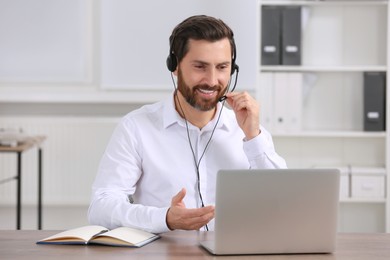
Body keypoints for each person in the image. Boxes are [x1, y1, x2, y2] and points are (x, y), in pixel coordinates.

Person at [88, 15, 287, 234]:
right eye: (200, 66)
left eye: (222, 67)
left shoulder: (248, 130)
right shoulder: (136, 127)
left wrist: (254, 137)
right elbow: (101, 208)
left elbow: (284, 202)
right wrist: (164, 218)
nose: (212, 80)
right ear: (174, 66)